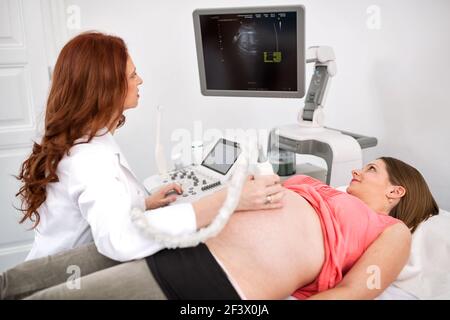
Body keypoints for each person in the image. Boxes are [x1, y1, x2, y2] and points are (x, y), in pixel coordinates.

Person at [14, 31, 285, 262]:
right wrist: (228, 200)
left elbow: (99, 206)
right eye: (132, 76)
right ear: (107, 88)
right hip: (68, 278)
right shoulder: (85, 159)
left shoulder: (91, 135)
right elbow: (119, 238)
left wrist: (144, 203)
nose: (140, 81)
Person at [2, 157, 439, 300]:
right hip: (174, 233)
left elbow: (350, 295)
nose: (359, 172)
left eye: (372, 169)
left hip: (213, 273)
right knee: (21, 278)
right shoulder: (319, 185)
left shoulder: (390, 231)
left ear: (397, 192)